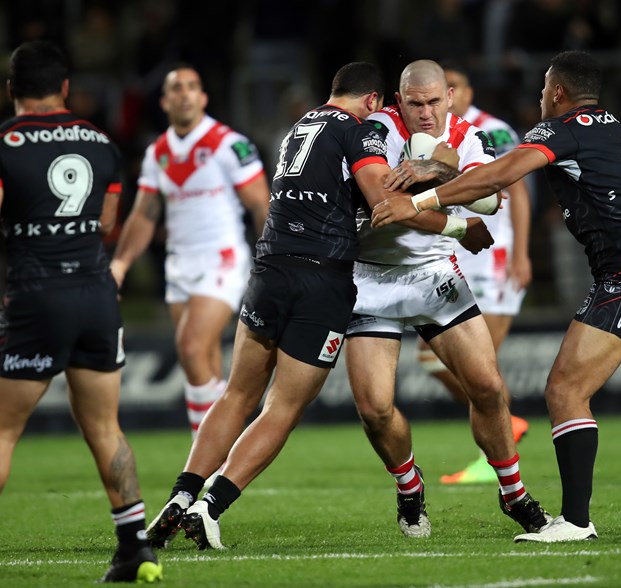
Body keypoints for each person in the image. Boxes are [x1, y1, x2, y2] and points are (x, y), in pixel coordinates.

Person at [372, 50, 621, 542]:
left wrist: (420, 198)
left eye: (544, 88)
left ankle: (576, 522)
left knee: (564, 390)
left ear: (557, 92)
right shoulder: (611, 124)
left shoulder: (560, 127)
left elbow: (500, 176)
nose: (540, 97)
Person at [144, 62, 494, 550]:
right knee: (282, 407)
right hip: (322, 277)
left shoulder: (299, 127)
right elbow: (384, 203)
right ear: (375, 101)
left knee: (235, 395)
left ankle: (181, 494)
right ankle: (210, 506)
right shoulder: (360, 131)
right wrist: (459, 226)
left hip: (269, 267)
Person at [345, 59, 551, 539]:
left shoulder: (471, 135)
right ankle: (409, 485)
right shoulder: (373, 130)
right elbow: (386, 205)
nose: (424, 112)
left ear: (450, 97)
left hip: (434, 273)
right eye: (414, 103)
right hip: (370, 276)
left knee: (488, 387)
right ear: (399, 100)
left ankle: (514, 494)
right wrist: (447, 194)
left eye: (434, 101)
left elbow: (490, 198)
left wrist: (436, 166)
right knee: (375, 410)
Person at [0, 41, 162, 582]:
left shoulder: (6, 141)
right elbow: (106, 222)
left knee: (2, 431)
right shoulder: (100, 142)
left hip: (34, 294)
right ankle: (135, 547)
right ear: (65, 88)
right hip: (95, 294)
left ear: (10, 90)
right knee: (104, 426)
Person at [110, 65, 270, 439]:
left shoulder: (228, 144)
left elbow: (261, 204)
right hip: (180, 263)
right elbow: (144, 214)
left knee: (190, 346)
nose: (185, 94)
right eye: (176, 88)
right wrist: (120, 262)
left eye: (192, 87)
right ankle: (221, 449)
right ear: (165, 101)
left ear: (203, 98)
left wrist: (271, 260)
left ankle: (205, 457)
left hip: (223, 258)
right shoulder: (157, 153)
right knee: (204, 362)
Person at [424, 62, 532, 485]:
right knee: (433, 360)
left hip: (493, 257)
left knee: (478, 367)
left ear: (464, 92)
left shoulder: (494, 131)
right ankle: (508, 426)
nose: (449, 94)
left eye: (455, 86)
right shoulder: (432, 137)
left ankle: (494, 458)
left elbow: (519, 194)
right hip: (457, 253)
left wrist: (521, 253)